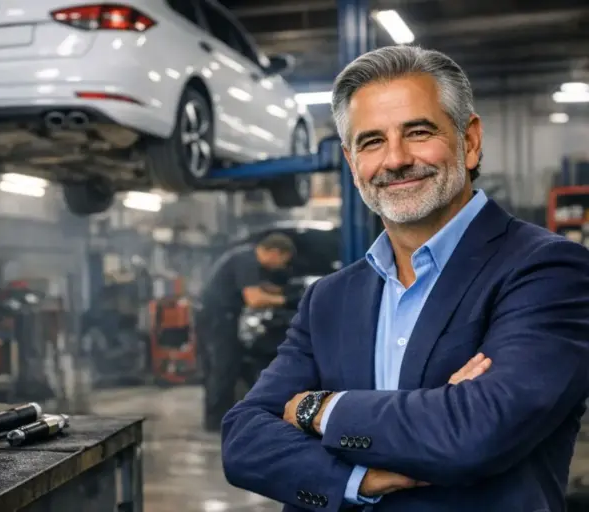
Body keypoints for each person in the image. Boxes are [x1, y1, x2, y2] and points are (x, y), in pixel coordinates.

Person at [221, 45, 589, 511]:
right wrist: (359, 478)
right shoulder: (330, 299)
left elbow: (473, 433)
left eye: (417, 131)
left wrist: (317, 409)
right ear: (353, 165)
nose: (394, 159)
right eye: (371, 141)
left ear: (469, 140)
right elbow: (243, 440)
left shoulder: (547, 271)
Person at [197, 232, 297, 432]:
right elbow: (254, 298)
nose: (280, 267)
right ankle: (216, 422)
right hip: (219, 318)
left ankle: (216, 418)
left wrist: (282, 291)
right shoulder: (247, 261)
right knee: (224, 367)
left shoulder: (244, 257)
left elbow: (261, 288)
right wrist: (290, 300)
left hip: (216, 317)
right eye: (282, 261)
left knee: (223, 367)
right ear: (274, 252)